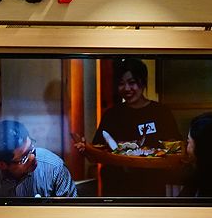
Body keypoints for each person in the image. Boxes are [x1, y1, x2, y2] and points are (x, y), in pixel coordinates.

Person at [75, 57, 182, 196]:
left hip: (151, 187)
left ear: (143, 82)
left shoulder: (161, 112)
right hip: (116, 188)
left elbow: (175, 148)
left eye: (132, 83)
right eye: (121, 83)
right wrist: (86, 150)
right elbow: (96, 154)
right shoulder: (112, 115)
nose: (126, 89)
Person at [0, 119, 78, 199]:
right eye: (24, 158)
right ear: (2, 165)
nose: (33, 157)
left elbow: (72, 210)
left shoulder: (54, 168)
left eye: (31, 148)